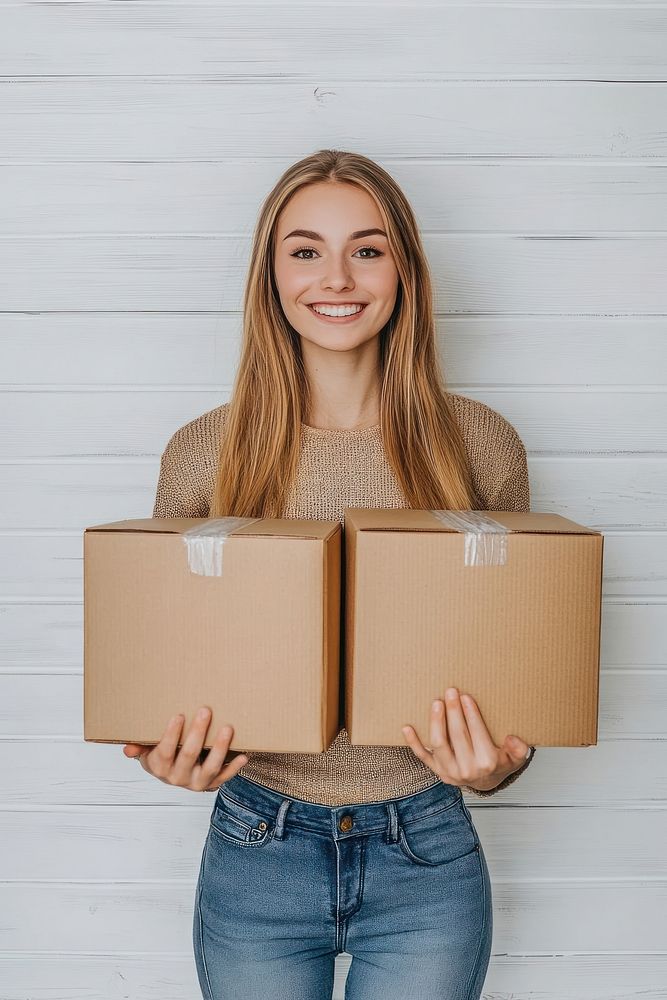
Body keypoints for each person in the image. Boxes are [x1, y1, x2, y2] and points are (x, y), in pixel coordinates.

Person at [123, 149, 536, 1000]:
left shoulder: (480, 447)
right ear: (270, 274)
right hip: (256, 849)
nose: (336, 277)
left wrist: (497, 769)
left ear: (404, 270)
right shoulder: (203, 454)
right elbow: (160, 676)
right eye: (305, 250)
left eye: (368, 248)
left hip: (426, 853)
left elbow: (518, 685)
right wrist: (165, 755)